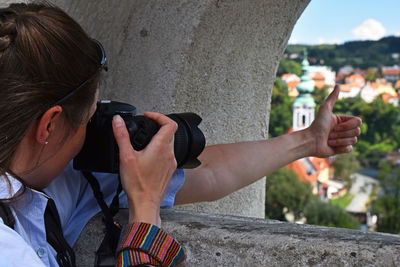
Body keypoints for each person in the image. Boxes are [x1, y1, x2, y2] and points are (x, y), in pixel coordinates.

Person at [0, 2, 362, 267]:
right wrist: (144, 211)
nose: (92, 133)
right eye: (89, 120)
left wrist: (306, 141)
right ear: (48, 126)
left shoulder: (49, 181)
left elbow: (211, 172)